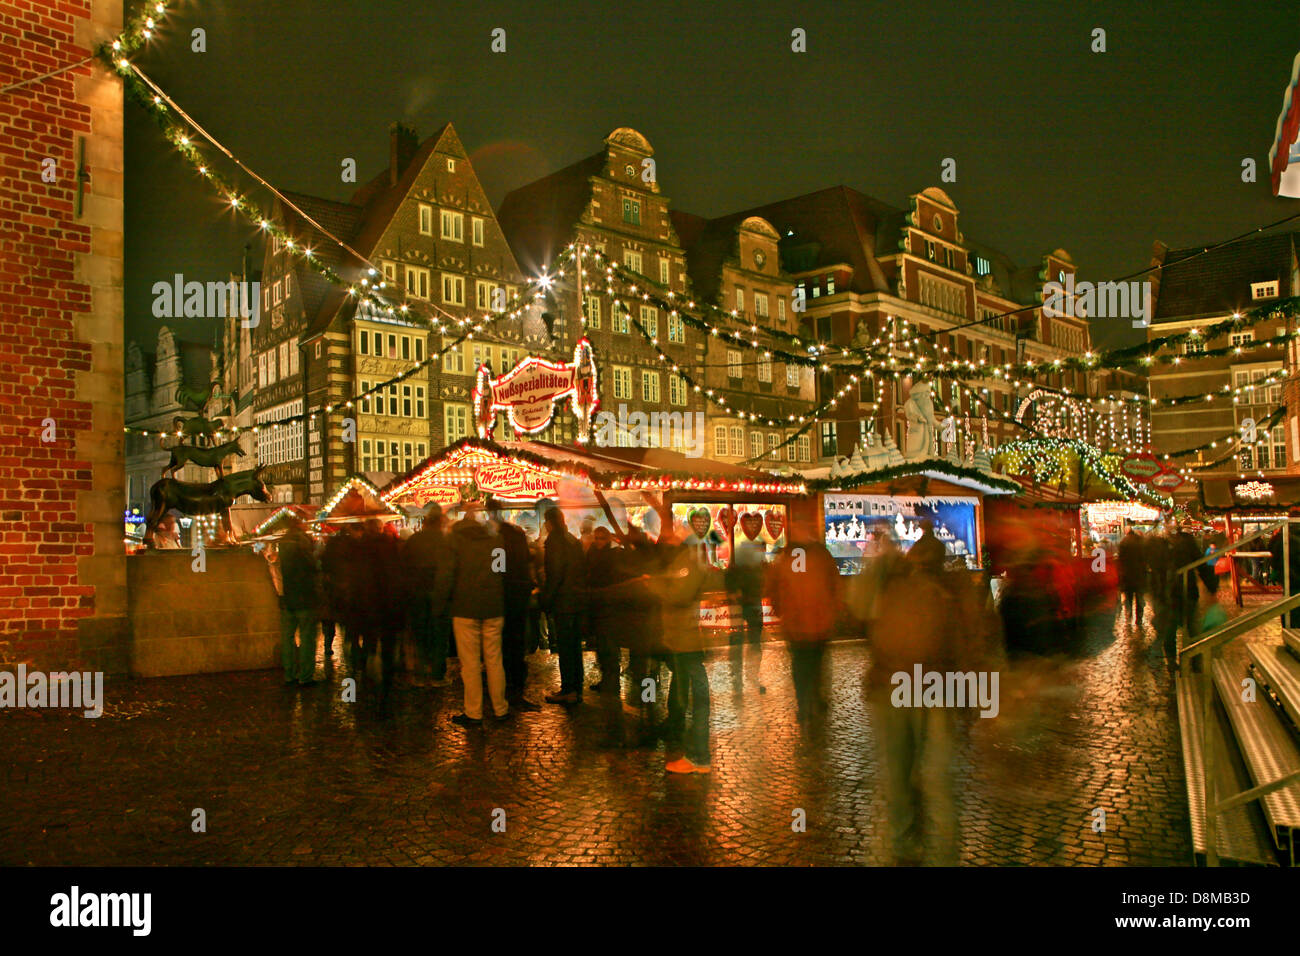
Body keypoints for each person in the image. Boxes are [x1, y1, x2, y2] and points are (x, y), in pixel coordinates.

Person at [433, 502, 508, 727]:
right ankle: (500, 708)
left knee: (470, 663)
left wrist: (439, 604)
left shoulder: (453, 541)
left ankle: (474, 712)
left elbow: (446, 575)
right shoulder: (496, 540)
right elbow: (501, 572)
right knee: (494, 659)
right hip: (493, 606)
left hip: (465, 608)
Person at [649, 527, 712, 773]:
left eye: (670, 538)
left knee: (699, 699)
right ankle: (694, 750)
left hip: (688, 639)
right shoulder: (682, 561)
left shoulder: (687, 562)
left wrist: (655, 585)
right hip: (682, 638)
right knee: (690, 693)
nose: (666, 541)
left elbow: (679, 595)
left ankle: (699, 756)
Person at [768, 536, 839, 724]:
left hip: (800, 625)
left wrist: (780, 608)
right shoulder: (820, 555)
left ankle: (806, 705)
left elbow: (774, 585)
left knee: (802, 668)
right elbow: (835, 584)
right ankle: (813, 702)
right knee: (813, 667)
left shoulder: (787, 556)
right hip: (814, 625)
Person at [487, 499, 540, 710]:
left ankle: (507, 687)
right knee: (517, 641)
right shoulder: (517, 534)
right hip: (520, 593)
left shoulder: (499, 537)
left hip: (506, 594)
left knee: (504, 642)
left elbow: (497, 568)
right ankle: (517, 684)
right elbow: (527, 561)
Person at [354, 519, 404, 708]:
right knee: (388, 645)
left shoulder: (358, 548)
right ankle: (387, 680)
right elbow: (396, 576)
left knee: (369, 641)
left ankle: (367, 676)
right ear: (380, 529)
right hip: (387, 604)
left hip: (367, 604)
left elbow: (356, 578)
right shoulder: (389, 547)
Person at [540, 507, 587, 705]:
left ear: (549, 522)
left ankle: (569, 689)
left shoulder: (554, 541)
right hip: (576, 600)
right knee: (574, 646)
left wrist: (546, 599)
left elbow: (555, 574)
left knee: (566, 647)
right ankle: (576, 686)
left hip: (564, 601)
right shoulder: (572, 539)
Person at [401, 503, 451, 685]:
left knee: (421, 634)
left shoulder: (414, 540)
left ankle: (421, 673)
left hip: (417, 595)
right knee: (439, 636)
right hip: (439, 595)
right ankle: (437, 674)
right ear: (440, 522)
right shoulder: (447, 541)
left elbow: (403, 567)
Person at [275, 517, 321, 687]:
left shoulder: (282, 543)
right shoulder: (302, 542)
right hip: (304, 596)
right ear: (299, 525)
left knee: (287, 638)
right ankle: (306, 676)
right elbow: (313, 566)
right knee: (307, 637)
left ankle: (289, 674)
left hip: (287, 597)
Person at [726, 535, 766, 696]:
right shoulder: (753, 565)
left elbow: (729, 579)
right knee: (751, 642)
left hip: (744, 603)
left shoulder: (739, 563)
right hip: (750, 603)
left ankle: (740, 680)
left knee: (739, 642)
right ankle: (747, 678)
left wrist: (733, 592)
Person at [586, 525, 623, 693]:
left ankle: (612, 681)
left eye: (601, 538)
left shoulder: (613, 555)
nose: (598, 541)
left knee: (609, 648)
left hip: (609, 607)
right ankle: (607, 680)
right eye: (596, 538)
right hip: (598, 605)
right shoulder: (593, 553)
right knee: (602, 648)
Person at [1116, 526, 1147, 627]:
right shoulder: (1140, 541)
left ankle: (1129, 617)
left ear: (1126, 532)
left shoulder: (1123, 542)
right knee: (1139, 598)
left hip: (1127, 575)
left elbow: (1120, 559)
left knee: (1128, 599)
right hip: (1139, 575)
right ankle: (1139, 618)